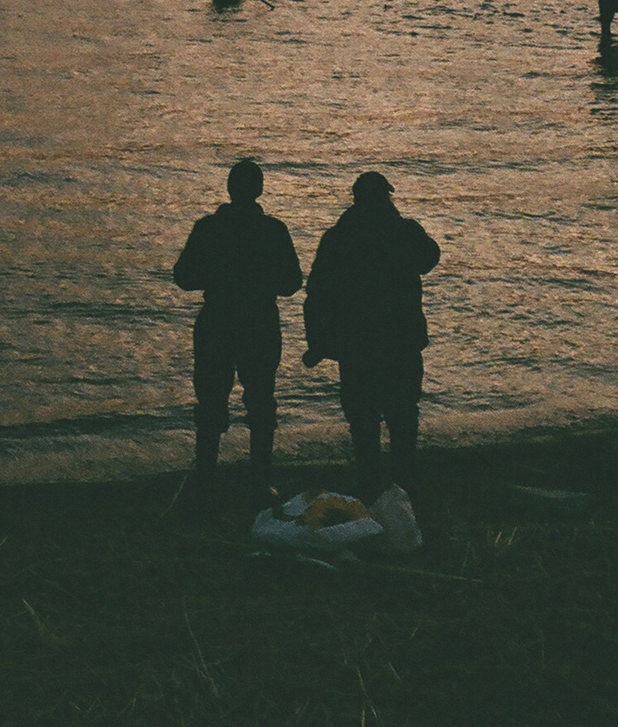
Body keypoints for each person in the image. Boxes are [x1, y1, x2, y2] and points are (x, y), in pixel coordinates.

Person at [301, 171, 441, 498]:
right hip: (400, 342)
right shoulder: (402, 232)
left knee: (363, 421)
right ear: (385, 197)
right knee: (403, 416)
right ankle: (404, 485)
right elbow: (430, 256)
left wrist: (319, 343)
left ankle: (370, 486)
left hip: (357, 345)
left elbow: (317, 294)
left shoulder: (338, 238)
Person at [171, 159, 304, 499]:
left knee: (211, 404)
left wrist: (217, 277)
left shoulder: (208, 228)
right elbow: (291, 283)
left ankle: (207, 482)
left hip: (217, 322)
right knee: (260, 404)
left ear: (229, 190)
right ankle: (259, 483)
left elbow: (183, 277)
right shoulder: (273, 231)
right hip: (259, 323)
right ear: (259, 190)